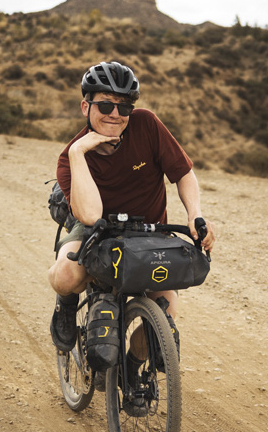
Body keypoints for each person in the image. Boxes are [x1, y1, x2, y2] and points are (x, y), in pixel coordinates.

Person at [47, 61, 216, 353]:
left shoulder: (147, 124)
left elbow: (183, 174)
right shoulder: (69, 157)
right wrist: (78, 151)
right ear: (85, 107)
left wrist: (195, 215)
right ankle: (66, 303)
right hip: (93, 230)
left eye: (124, 107)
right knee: (66, 275)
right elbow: (89, 215)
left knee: (165, 314)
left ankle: (136, 373)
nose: (115, 115)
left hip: (148, 231)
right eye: (105, 105)